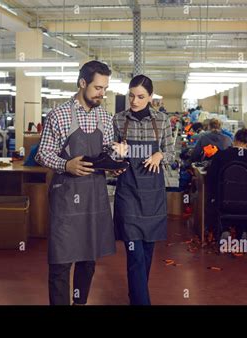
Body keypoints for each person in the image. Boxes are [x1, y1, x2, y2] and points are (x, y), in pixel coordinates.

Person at [35, 60, 117, 305]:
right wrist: (65, 165)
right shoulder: (58, 115)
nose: (102, 94)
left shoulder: (105, 116)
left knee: (88, 258)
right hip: (66, 197)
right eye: (98, 88)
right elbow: (42, 153)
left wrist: (116, 162)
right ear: (83, 83)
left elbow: (106, 152)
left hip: (94, 196)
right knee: (60, 261)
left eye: (105, 88)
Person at [112, 75, 174, 305]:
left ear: (150, 97)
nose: (134, 101)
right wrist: (116, 154)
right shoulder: (118, 120)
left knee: (147, 252)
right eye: (131, 96)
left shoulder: (162, 121)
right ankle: (141, 302)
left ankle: (136, 294)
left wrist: (160, 154)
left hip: (153, 195)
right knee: (135, 252)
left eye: (140, 97)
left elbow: (172, 154)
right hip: (128, 193)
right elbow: (111, 157)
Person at [206, 128, 247, 239]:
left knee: (218, 198)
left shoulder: (221, 155)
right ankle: (245, 230)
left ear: (234, 139)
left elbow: (210, 178)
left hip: (223, 201)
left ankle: (225, 229)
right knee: (243, 202)